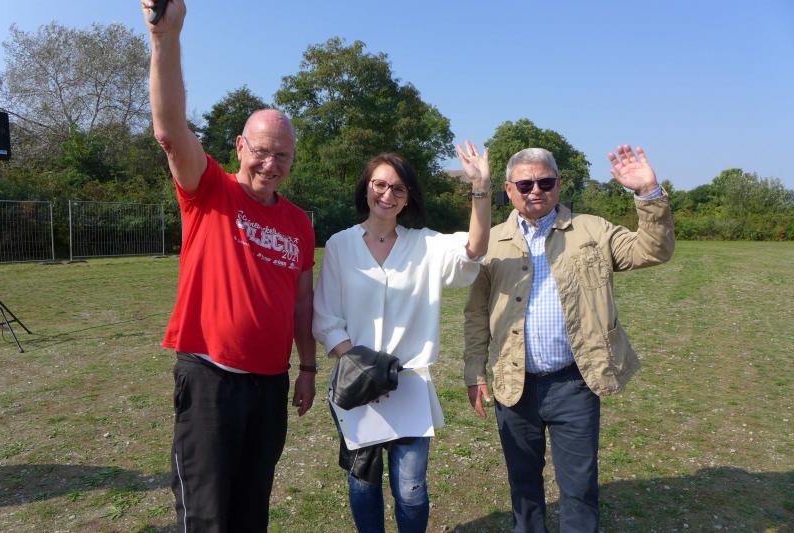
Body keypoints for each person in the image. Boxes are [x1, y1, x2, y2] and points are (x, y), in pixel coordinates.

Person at [141, 1, 317, 530]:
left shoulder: (299, 223)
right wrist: (165, 39)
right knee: (207, 515)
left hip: (270, 385)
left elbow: (302, 301)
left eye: (282, 155)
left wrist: (308, 369)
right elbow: (170, 130)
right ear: (240, 146)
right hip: (210, 379)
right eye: (261, 151)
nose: (271, 164)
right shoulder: (209, 190)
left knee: (251, 511)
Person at [464, 145, 675, 532]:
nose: (535, 190)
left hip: (575, 382)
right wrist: (474, 372)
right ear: (509, 190)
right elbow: (476, 314)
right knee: (523, 484)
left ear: (558, 185)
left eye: (545, 182)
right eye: (525, 184)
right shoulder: (488, 243)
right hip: (514, 383)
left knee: (579, 487)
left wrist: (647, 192)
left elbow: (655, 250)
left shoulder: (594, 230)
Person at [313, 143, 492, 532]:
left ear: (408, 197)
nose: (387, 194)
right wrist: (363, 369)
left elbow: (474, 250)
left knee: (411, 490)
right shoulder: (341, 245)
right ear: (366, 188)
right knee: (363, 484)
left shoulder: (425, 244)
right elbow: (326, 317)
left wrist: (480, 188)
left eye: (398, 188)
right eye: (380, 184)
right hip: (357, 385)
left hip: (409, 385)